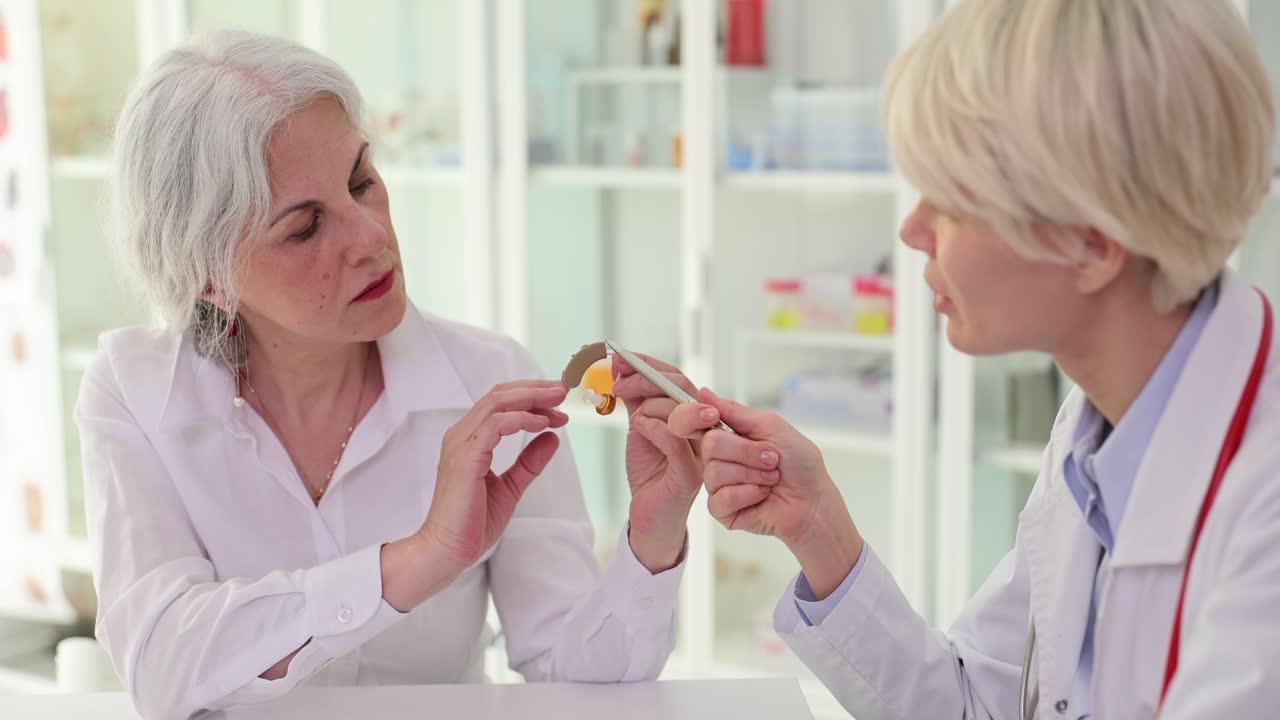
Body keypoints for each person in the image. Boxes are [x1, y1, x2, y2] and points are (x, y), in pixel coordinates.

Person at [666, 1, 1280, 718]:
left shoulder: (1262, 509)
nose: (912, 228)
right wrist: (819, 529)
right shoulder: (1099, 435)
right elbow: (975, 706)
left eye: (953, 199)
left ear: (1092, 242)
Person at [76, 31, 701, 719]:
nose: (371, 236)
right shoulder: (133, 394)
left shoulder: (487, 380)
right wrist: (413, 563)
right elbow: (161, 663)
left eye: (361, 182)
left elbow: (572, 677)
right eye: (306, 227)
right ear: (211, 282)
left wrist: (653, 535)